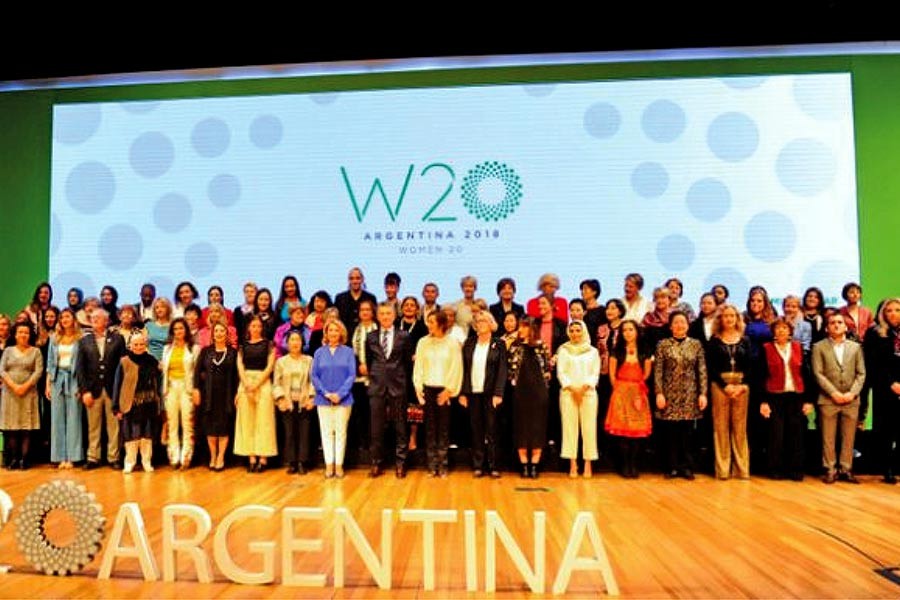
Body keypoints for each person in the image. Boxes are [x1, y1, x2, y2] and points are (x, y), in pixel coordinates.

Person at [813, 312, 866, 484]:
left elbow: (861, 373)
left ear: (845, 326)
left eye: (839, 322)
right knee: (828, 437)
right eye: (832, 322)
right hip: (828, 399)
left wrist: (852, 393)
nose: (836, 325)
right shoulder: (818, 347)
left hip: (851, 400)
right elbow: (818, 373)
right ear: (827, 327)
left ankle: (846, 468)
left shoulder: (856, 347)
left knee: (849, 437)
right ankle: (830, 469)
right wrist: (833, 393)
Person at [654, 312, 708, 480]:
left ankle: (686, 467)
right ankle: (671, 467)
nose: (679, 325)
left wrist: (703, 394)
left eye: (682, 322)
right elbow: (658, 371)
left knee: (687, 433)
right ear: (670, 326)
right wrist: (659, 393)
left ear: (688, 325)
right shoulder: (663, 345)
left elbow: (702, 370)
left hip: (689, 395)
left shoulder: (696, 345)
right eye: (676, 323)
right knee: (670, 434)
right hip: (669, 395)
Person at [366, 302, 414, 478]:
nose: (385, 316)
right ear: (377, 316)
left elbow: (408, 364)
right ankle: (376, 463)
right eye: (382, 314)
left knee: (401, 427)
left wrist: (403, 383)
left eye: (389, 313)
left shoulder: (404, 336)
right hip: (377, 387)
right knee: (376, 428)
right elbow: (370, 361)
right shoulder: (371, 337)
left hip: (398, 386)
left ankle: (401, 463)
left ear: (394, 316)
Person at [413, 311, 463, 477]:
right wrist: (419, 390)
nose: (429, 325)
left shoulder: (452, 343)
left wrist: (449, 390)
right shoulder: (423, 342)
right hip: (428, 388)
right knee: (429, 429)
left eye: (432, 322)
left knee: (443, 429)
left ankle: (443, 465)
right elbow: (418, 367)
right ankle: (431, 465)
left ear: (441, 323)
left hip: (444, 390)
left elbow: (456, 367)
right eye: (428, 322)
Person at [760, 318, 811, 481]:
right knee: (776, 435)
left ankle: (795, 470)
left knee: (796, 436)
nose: (781, 331)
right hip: (774, 397)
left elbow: (807, 375)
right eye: (778, 328)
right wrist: (763, 401)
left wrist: (808, 400)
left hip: (795, 397)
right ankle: (775, 469)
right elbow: (760, 376)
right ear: (773, 331)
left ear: (790, 331)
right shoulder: (766, 349)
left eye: (784, 328)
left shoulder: (799, 348)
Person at [460, 311, 507, 478]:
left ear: (491, 324)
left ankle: (493, 465)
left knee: (492, 430)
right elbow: (464, 369)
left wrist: (498, 392)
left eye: (484, 321)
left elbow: (502, 370)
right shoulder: (469, 343)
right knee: (476, 430)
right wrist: (463, 393)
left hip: (490, 394)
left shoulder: (499, 344)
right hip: (473, 393)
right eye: (478, 321)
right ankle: (478, 465)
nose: (480, 324)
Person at [707, 304, 752, 480]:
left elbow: (750, 365)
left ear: (737, 318)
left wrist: (743, 385)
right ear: (720, 319)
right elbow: (710, 367)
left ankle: (741, 469)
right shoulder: (714, 340)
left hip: (741, 387)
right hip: (720, 386)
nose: (729, 319)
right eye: (725, 316)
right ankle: (723, 469)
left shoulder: (745, 340)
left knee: (740, 428)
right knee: (721, 428)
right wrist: (724, 385)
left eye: (732, 316)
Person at [77, 309, 126, 470]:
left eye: (99, 318)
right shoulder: (84, 341)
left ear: (107, 321)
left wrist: (120, 392)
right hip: (92, 390)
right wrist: (84, 391)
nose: (95, 320)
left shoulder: (118, 339)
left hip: (112, 389)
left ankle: (114, 458)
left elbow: (122, 366)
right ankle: (93, 457)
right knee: (93, 426)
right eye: (93, 318)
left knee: (114, 427)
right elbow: (80, 368)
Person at [605, 319, 653, 478]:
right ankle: (624, 465)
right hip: (620, 392)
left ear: (637, 331)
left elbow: (646, 374)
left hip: (638, 393)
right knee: (623, 433)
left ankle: (634, 464)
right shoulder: (616, 350)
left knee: (636, 432)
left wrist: (636, 389)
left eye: (630, 329)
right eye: (624, 330)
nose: (627, 333)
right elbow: (612, 375)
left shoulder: (644, 350)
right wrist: (620, 390)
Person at [507, 316, 551, 478]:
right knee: (522, 428)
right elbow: (510, 371)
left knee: (537, 428)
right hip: (520, 393)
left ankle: (535, 464)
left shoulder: (542, 347)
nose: (521, 330)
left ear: (532, 329)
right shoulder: (515, 347)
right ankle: (524, 464)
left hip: (539, 393)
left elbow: (547, 370)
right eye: (520, 327)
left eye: (524, 327)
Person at [312, 320, 357, 478]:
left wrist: (340, 394)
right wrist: (326, 393)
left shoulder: (348, 352)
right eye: (330, 330)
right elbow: (314, 376)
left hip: (343, 400)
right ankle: (328, 465)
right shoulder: (319, 353)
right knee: (326, 433)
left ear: (341, 333)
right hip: (323, 399)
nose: (333, 333)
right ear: (326, 333)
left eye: (336, 330)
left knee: (340, 432)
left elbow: (352, 375)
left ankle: (339, 465)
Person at [557, 320, 601, 478]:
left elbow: (594, 373)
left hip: (588, 394)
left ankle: (588, 464)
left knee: (589, 429)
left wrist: (584, 388)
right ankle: (573, 464)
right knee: (569, 429)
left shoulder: (593, 351)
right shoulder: (563, 350)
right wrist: (571, 387)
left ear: (584, 331)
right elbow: (561, 372)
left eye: (578, 330)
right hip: (568, 394)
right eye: (573, 330)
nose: (575, 334)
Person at [192, 322, 239, 471]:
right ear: (212, 334)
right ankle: (213, 455)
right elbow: (197, 372)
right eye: (216, 331)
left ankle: (221, 456)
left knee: (224, 427)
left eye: (222, 331)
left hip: (226, 395)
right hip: (208, 395)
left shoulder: (233, 352)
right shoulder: (205, 351)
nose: (219, 333)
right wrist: (196, 389)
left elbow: (237, 375)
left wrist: (238, 392)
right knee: (210, 428)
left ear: (226, 334)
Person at [112, 333, 161, 473]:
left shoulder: (152, 360)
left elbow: (158, 381)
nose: (139, 347)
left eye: (141, 344)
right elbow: (117, 384)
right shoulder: (124, 362)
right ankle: (130, 462)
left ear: (145, 345)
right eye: (136, 344)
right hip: (130, 404)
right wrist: (116, 407)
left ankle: (146, 461)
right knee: (131, 434)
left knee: (147, 434)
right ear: (130, 346)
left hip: (149, 403)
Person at [864, 298, 900, 483]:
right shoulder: (875, 333)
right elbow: (873, 364)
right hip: (884, 388)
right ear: (883, 313)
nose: (893, 313)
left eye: (897, 310)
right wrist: (891, 383)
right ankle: (887, 469)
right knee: (887, 430)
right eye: (889, 310)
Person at [234, 316, 277, 472]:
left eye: (259, 326)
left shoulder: (269, 345)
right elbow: (239, 365)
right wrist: (246, 384)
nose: (256, 328)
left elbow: (270, 366)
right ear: (248, 328)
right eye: (253, 325)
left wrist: (257, 384)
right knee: (247, 421)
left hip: (263, 383)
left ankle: (263, 458)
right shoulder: (242, 346)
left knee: (264, 421)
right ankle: (251, 457)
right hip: (245, 384)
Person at [0, 322, 44, 469]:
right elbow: (2, 370)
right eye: (20, 332)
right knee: (12, 426)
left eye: (26, 332)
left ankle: (24, 459)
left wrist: (25, 387)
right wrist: (13, 386)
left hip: (29, 392)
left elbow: (38, 371)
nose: (23, 335)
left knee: (26, 427)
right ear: (15, 334)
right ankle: (13, 459)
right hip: (10, 392)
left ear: (30, 335)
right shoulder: (7, 350)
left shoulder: (36, 351)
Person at [273, 330, 315, 475]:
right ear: (287, 343)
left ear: (302, 343)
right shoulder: (281, 362)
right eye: (292, 340)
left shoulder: (309, 360)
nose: (295, 343)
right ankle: (291, 462)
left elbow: (313, 381)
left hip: (304, 401)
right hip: (287, 402)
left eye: (298, 340)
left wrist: (311, 397)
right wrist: (280, 399)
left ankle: (303, 462)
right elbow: (276, 383)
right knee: (289, 432)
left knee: (304, 433)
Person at [46, 308, 83, 469]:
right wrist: (48, 384)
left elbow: (83, 365)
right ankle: (60, 456)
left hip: (74, 379)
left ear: (73, 319)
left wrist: (82, 385)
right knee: (57, 418)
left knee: (74, 418)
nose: (64, 319)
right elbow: (50, 363)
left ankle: (73, 457)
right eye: (62, 317)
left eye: (67, 316)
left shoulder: (80, 338)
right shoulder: (54, 338)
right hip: (57, 379)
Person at [160, 318, 200, 469]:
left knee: (187, 423)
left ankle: (186, 457)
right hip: (170, 387)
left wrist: (195, 390)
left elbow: (196, 372)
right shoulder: (167, 349)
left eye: (181, 329)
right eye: (175, 329)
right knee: (172, 423)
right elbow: (163, 369)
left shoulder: (193, 348)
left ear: (186, 331)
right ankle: (174, 456)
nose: (178, 332)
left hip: (186, 388)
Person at [398, 296, 428, 451]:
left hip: (415, 370)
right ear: (401, 308)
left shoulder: (423, 327)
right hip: (396, 370)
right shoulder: (396, 324)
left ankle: (413, 437)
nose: (409, 307)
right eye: (406, 305)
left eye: (412, 305)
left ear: (417, 309)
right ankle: (399, 438)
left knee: (414, 407)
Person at [334, 267, 377, 335]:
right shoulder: (340, 298)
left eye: (358, 278)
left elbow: (375, 319)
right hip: (344, 338)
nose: (355, 281)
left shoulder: (370, 298)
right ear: (348, 280)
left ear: (362, 279)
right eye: (352, 278)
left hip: (366, 337)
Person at [642, 286, 673, 351]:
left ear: (669, 299)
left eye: (663, 297)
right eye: (656, 298)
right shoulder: (648, 317)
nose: (659, 300)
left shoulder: (675, 317)